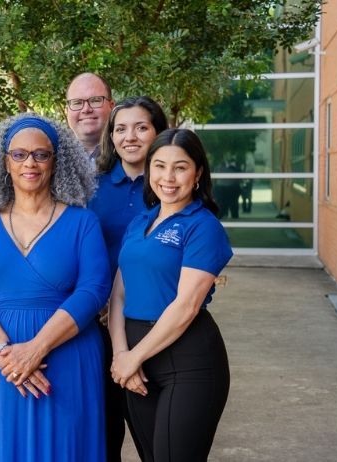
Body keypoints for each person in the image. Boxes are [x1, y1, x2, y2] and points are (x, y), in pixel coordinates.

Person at [0, 113, 112, 461]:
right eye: (19, 154)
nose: (30, 162)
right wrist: (6, 354)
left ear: (56, 161)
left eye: (41, 154)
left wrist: (36, 349)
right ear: (4, 162)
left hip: (64, 358)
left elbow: (94, 289)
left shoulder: (83, 222)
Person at [109, 128, 232, 462]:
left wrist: (133, 358)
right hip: (137, 361)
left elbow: (186, 306)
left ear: (198, 173)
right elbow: (118, 295)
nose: (168, 177)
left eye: (180, 167)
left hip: (189, 363)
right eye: (159, 166)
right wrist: (122, 355)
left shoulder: (203, 227)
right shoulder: (140, 223)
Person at [88, 95, 168, 462]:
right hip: (98, 326)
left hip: (157, 323)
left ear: (158, 132)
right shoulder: (92, 187)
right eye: (120, 128)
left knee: (156, 438)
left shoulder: (169, 186)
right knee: (103, 437)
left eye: (141, 127)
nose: (129, 137)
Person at [66, 72, 116, 160]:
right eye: (77, 102)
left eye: (95, 101)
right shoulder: (52, 158)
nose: (86, 109)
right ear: (67, 111)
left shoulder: (132, 152)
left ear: (111, 106)